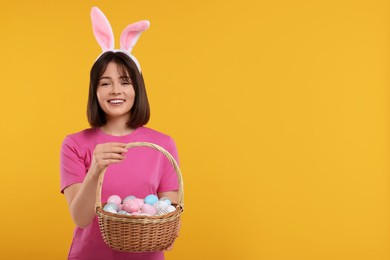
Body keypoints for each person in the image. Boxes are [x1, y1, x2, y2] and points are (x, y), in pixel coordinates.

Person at [60, 7, 180, 260]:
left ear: (137, 89)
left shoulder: (162, 145)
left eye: (125, 82)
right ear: (95, 91)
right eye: (105, 83)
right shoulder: (74, 144)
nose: (116, 90)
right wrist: (95, 169)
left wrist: (171, 230)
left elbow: (166, 212)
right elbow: (81, 219)